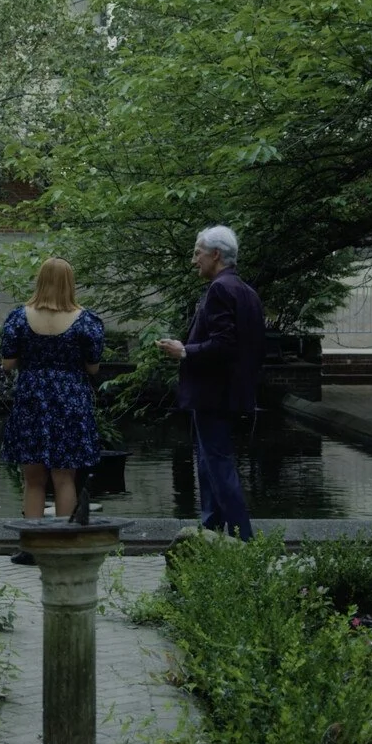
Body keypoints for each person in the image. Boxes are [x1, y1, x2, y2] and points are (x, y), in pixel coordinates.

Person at [157, 225, 264, 541]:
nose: (194, 261)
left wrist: (184, 350)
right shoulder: (247, 291)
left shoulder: (219, 290)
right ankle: (212, 530)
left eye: (197, 252)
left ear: (216, 254)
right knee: (208, 463)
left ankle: (243, 540)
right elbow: (250, 348)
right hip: (233, 393)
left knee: (217, 464)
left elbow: (224, 345)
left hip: (212, 395)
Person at [0, 257, 106, 564]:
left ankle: (31, 547)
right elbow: (93, 367)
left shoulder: (19, 318)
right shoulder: (86, 321)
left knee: (32, 478)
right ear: (70, 283)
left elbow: (7, 364)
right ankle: (64, 545)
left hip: (32, 397)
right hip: (70, 399)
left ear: (40, 280)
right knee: (64, 477)